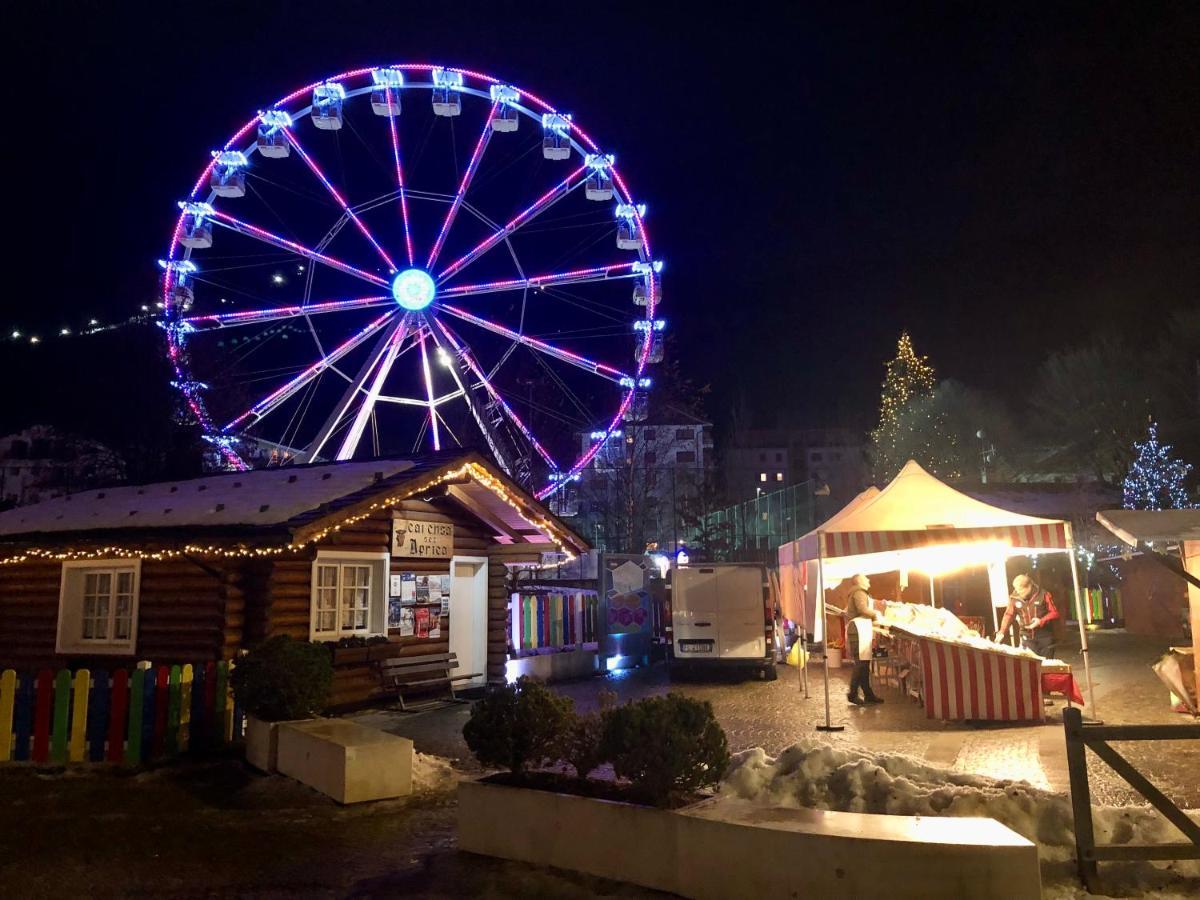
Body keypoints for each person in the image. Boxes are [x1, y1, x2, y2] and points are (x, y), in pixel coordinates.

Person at [996, 574, 1058, 658]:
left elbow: (1054, 613)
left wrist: (1040, 621)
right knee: (1029, 665)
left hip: (1044, 636)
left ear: (1029, 586)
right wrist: (1002, 632)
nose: (1019, 593)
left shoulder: (1044, 594)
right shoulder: (1014, 598)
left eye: (1021, 591)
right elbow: (1009, 615)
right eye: (1017, 590)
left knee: (1046, 665)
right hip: (1026, 637)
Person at [844, 574, 883, 705]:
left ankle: (868, 694)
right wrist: (876, 614)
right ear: (859, 581)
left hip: (862, 630)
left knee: (865, 664)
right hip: (858, 631)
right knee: (860, 663)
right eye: (866, 578)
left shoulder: (861, 592)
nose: (869, 579)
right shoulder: (859, 592)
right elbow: (863, 610)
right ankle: (852, 693)